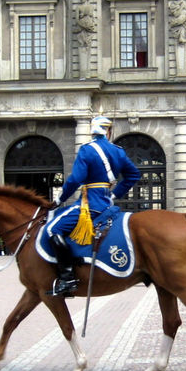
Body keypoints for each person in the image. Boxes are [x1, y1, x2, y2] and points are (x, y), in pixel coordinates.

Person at [46, 115, 140, 297]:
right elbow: (133, 175)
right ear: (108, 131)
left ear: (93, 131)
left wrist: (59, 199)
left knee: (52, 229)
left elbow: (75, 179)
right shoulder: (118, 151)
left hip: (90, 204)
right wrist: (114, 194)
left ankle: (68, 278)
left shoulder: (87, 150)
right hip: (106, 203)